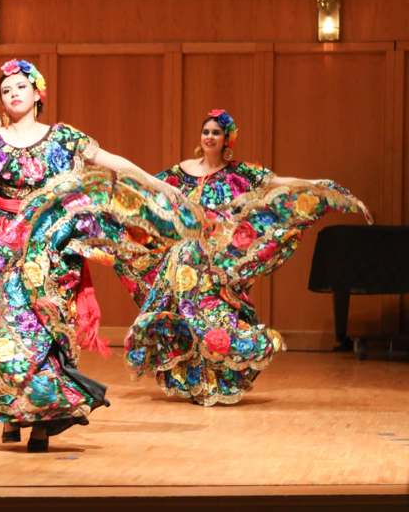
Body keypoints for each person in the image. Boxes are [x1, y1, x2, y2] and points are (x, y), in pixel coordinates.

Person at [0, 60, 192, 451]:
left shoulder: (64, 138)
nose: (13, 93)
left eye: (20, 87)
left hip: (48, 247)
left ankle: (44, 418)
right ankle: (13, 408)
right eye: (6, 90)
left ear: (38, 93)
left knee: (43, 328)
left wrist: (156, 185)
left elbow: (110, 162)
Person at [119, 109, 372, 405]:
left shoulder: (241, 172)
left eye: (216, 132)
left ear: (227, 139)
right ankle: (192, 378)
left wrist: (321, 185)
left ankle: (220, 373)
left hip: (218, 260)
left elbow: (278, 183)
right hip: (183, 256)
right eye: (206, 132)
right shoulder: (180, 171)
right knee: (185, 310)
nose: (209, 137)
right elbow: (150, 190)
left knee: (212, 311)